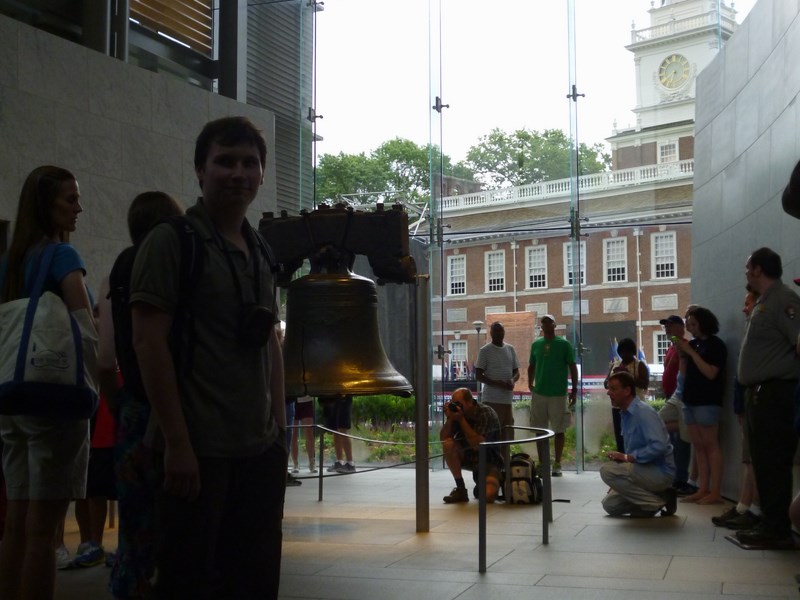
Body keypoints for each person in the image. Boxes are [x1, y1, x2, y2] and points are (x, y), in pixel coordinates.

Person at [130, 117, 287, 598]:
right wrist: (176, 443)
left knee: (254, 581)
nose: (238, 172)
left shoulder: (260, 248)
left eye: (249, 163)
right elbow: (148, 342)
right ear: (200, 170)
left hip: (257, 452)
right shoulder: (173, 242)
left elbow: (270, 340)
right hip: (197, 453)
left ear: (261, 174)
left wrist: (279, 427)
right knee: (191, 580)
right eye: (225, 161)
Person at [0, 165, 95, 600]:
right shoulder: (62, 257)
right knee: (44, 532)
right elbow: (85, 327)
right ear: (47, 205)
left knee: (15, 527)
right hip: (53, 399)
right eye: (69, 199)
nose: (78, 208)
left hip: (12, 398)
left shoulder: (11, 263)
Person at [102, 191, 183, 598]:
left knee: (135, 527)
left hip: (132, 409)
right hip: (170, 410)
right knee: (176, 524)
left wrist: (117, 402)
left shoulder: (117, 268)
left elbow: (104, 356)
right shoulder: (169, 266)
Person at [736, 247, 800, 549]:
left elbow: (797, 341)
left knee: (774, 462)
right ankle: (769, 521)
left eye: (749, 266)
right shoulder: (763, 301)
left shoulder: (784, 299)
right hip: (760, 394)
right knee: (763, 462)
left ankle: (778, 529)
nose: (746, 271)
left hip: (776, 393)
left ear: (759, 269)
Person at [712, 288, 761, 530]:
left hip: (761, 402)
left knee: (754, 460)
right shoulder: (750, 331)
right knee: (748, 459)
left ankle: (750, 508)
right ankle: (747, 506)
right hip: (749, 402)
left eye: (748, 303)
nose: (744, 308)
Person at [600, 372, 676, 518]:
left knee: (607, 470)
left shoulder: (643, 413)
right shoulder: (625, 414)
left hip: (660, 471)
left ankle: (654, 502)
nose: (609, 393)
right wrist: (623, 472)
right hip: (642, 470)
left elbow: (659, 445)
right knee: (610, 506)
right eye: (609, 389)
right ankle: (662, 497)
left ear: (627, 391)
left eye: (613, 389)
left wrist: (629, 458)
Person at [675, 306, 727, 505]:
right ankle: (702, 487)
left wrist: (691, 352)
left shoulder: (716, 345)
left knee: (710, 445)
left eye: (694, 325)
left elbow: (711, 373)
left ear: (704, 324)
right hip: (690, 399)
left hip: (707, 400)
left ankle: (715, 491)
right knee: (698, 446)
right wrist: (683, 356)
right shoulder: (694, 345)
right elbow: (686, 374)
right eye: (689, 325)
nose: (691, 329)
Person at [527, 314, 578, 476]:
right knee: (539, 430)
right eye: (543, 323)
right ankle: (542, 463)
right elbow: (531, 365)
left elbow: (572, 366)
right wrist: (530, 383)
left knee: (559, 430)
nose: (546, 326)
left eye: (549, 323)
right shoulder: (536, 344)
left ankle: (557, 464)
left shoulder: (564, 344)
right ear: (541, 327)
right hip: (539, 393)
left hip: (558, 394)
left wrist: (574, 390)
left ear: (555, 325)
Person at [440, 388, 502, 503]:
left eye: (458, 403)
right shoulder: (458, 414)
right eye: (453, 403)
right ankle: (460, 489)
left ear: (470, 402)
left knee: (487, 496)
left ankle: (491, 482)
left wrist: (461, 420)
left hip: (489, 460)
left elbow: (478, 444)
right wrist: (450, 418)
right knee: (448, 444)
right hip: (470, 458)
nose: (456, 406)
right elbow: (443, 438)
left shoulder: (485, 412)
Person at [475, 321, 520, 466]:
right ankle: (491, 467)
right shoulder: (485, 351)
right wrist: (498, 383)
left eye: (501, 331)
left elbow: (516, 371)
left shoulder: (510, 349)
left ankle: (505, 466)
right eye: (496, 331)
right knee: (492, 436)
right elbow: (479, 375)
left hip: (507, 400)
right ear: (491, 333)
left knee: (506, 436)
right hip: (492, 399)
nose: (499, 334)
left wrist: (512, 381)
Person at [657, 315, 693, 495]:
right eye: (666, 327)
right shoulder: (672, 348)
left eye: (670, 326)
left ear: (681, 327)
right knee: (671, 438)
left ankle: (681, 479)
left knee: (682, 443)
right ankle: (674, 477)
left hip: (682, 398)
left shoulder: (685, 346)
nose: (667, 329)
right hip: (672, 397)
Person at [604, 337, 649, 453]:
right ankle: (622, 461)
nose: (624, 355)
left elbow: (644, 384)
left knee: (634, 436)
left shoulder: (640, 365)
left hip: (634, 407)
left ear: (633, 352)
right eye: (622, 352)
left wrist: (628, 376)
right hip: (617, 407)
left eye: (627, 352)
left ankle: (633, 460)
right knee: (620, 436)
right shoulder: (615, 365)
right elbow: (606, 383)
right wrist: (613, 378)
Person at [322, 396, 356, 473]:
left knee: (342, 428)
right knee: (335, 429)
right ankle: (339, 462)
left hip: (344, 395)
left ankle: (350, 463)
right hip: (333, 396)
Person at [291, 395, 317, 474]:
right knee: (293, 433)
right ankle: (295, 463)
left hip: (306, 399)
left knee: (309, 431)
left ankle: (311, 462)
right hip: (292, 400)